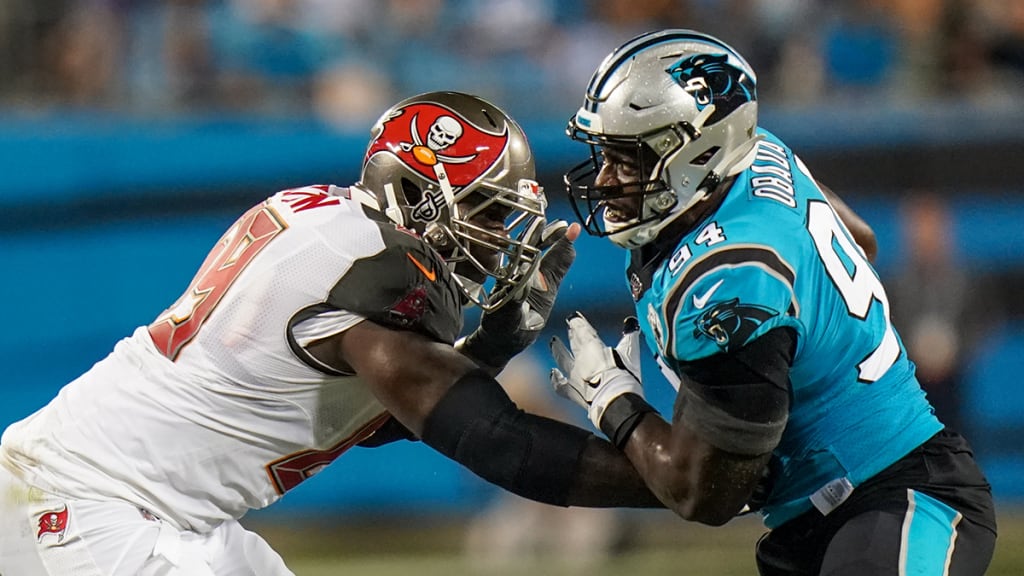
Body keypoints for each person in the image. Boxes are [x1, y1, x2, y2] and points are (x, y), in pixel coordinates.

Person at [0, 91, 660, 575]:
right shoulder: (381, 271)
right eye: (487, 212)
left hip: (134, 499)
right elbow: (493, 441)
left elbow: (377, 417)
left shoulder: (334, 223)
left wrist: (492, 344)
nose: (496, 240)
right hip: (83, 505)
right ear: (418, 196)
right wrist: (680, 475)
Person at [550, 29, 997, 575]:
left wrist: (612, 401)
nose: (606, 180)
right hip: (817, 519)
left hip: (896, 494)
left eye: (627, 159)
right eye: (605, 155)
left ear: (698, 152)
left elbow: (701, 495)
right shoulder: (758, 155)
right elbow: (863, 241)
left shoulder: (732, 274)